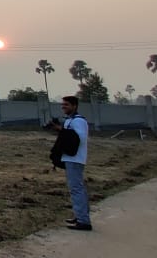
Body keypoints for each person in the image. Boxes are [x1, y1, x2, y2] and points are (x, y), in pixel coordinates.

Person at [54, 96, 92, 231]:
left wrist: (61, 131)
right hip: (70, 158)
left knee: (76, 189)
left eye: (67, 104)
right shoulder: (70, 121)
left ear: (74, 106)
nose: (64, 107)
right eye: (63, 104)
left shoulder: (78, 121)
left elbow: (78, 139)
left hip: (75, 159)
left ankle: (83, 221)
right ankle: (80, 216)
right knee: (76, 188)